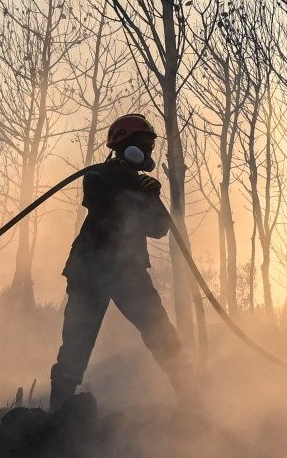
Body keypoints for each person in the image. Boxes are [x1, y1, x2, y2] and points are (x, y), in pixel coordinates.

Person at [49, 112, 194, 410]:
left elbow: (158, 228)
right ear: (125, 145)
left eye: (150, 147)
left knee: (161, 332)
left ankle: (192, 402)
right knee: (77, 342)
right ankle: (57, 415)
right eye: (143, 145)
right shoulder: (98, 175)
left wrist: (150, 197)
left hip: (128, 270)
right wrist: (137, 192)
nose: (148, 152)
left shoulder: (142, 186)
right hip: (90, 269)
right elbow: (102, 205)